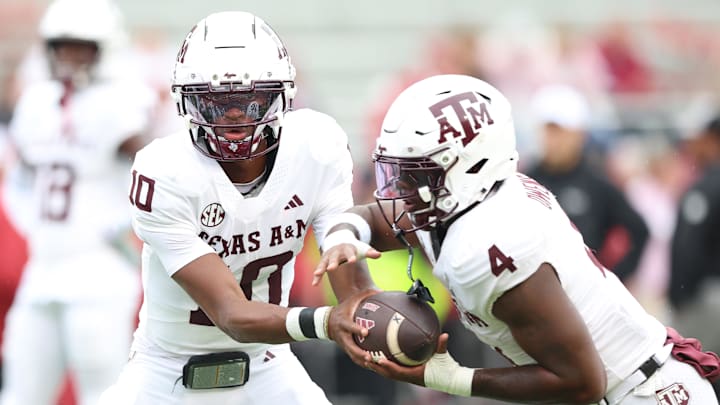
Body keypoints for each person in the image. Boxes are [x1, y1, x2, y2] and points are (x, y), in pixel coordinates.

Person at [314, 74, 720, 404]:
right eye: (396, 171)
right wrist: (344, 239)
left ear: (466, 166)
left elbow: (581, 382)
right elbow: (369, 218)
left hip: (641, 393)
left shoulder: (487, 244)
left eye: (414, 174)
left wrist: (452, 378)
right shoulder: (465, 200)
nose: (398, 188)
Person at [99, 11, 376, 405]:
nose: (234, 117)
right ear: (187, 102)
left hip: (268, 363)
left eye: (251, 100)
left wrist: (381, 321)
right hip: (166, 371)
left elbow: (351, 289)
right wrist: (329, 321)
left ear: (281, 96)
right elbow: (232, 314)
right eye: (216, 103)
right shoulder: (164, 171)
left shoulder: (317, 147)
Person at [0, 0, 156, 404]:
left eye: (82, 47)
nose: (70, 57)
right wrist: (35, 227)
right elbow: (21, 179)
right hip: (44, 267)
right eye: (63, 46)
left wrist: (120, 225)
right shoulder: (38, 103)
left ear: (105, 48)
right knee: (20, 391)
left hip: (98, 271)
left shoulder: (120, 102)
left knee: (103, 392)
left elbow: (150, 164)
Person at [525, 84, 649, 283]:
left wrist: (610, 280)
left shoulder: (597, 184)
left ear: (579, 135)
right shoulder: (523, 181)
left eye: (561, 132)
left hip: (582, 301)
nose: (553, 140)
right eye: (549, 131)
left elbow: (639, 230)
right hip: (531, 299)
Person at [670, 113, 720, 396]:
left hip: (709, 298)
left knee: (686, 375)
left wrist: (680, 296)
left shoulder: (708, 186)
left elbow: (688, 249)